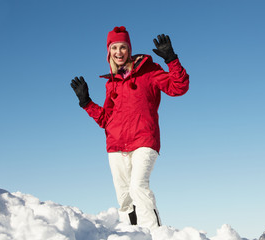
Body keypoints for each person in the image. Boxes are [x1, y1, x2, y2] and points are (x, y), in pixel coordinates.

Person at [70, 26, 189, 230]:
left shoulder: (149, 71)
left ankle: (155, 233)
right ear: (109, 52)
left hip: (144, 140)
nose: (118, 52)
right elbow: (106, 119)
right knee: (124, 197)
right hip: (116, 146)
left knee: (138, 187)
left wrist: (171, 59)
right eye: (114, 47)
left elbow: (178, 87)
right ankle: (133, 233)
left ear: (129, 49)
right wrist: (87, 102)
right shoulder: (112, 83)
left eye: (123, 47)